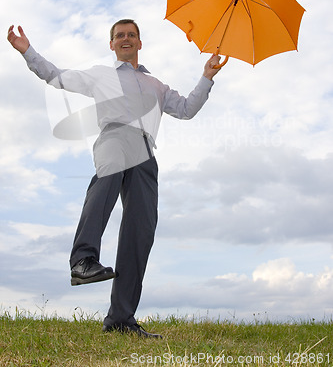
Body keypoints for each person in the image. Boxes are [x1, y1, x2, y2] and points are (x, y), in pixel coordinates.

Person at [7, 20, 223, 338]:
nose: (125, 39)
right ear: (112, 45)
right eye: (119, 35)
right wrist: (28, 52)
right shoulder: (100, 75)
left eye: (131, 35)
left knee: (141, 230)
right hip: (114, 138)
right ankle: (83, 259)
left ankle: (121, 319)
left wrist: (206, 76)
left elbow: (188, 109)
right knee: (106, 179)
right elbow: (56, 76)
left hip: (146, 153)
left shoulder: (157, 86)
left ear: (139, 43)